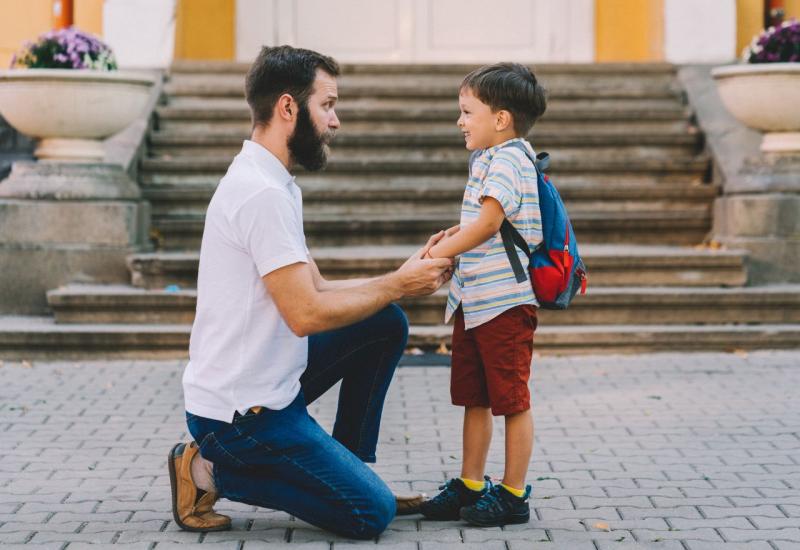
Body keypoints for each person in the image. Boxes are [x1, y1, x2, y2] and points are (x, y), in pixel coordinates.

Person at [167, 45, 454, 540]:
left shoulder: (275, 183)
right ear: (287, 108)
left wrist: (400, 278)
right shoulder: (260, 194)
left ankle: (350, 466)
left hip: (270, 384)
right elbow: (305, 314)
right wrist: (398, 284)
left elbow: (316, 287)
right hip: (238, 420)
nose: (336, 121)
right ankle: (206, 471)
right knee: (369, 514)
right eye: (328, 105)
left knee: (384, 322)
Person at [417, 62, 547, 527]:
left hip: (505, 304)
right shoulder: (487, 159)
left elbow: (491, 223)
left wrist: (436, 258)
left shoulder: (512, 157)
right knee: (475, 396)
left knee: (511, 399)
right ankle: (472, 483)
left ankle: (513, 495)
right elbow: (484, 222)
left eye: (467, 111)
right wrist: (450, 236)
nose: (460, 121)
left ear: (501, 118)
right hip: (474, 302)